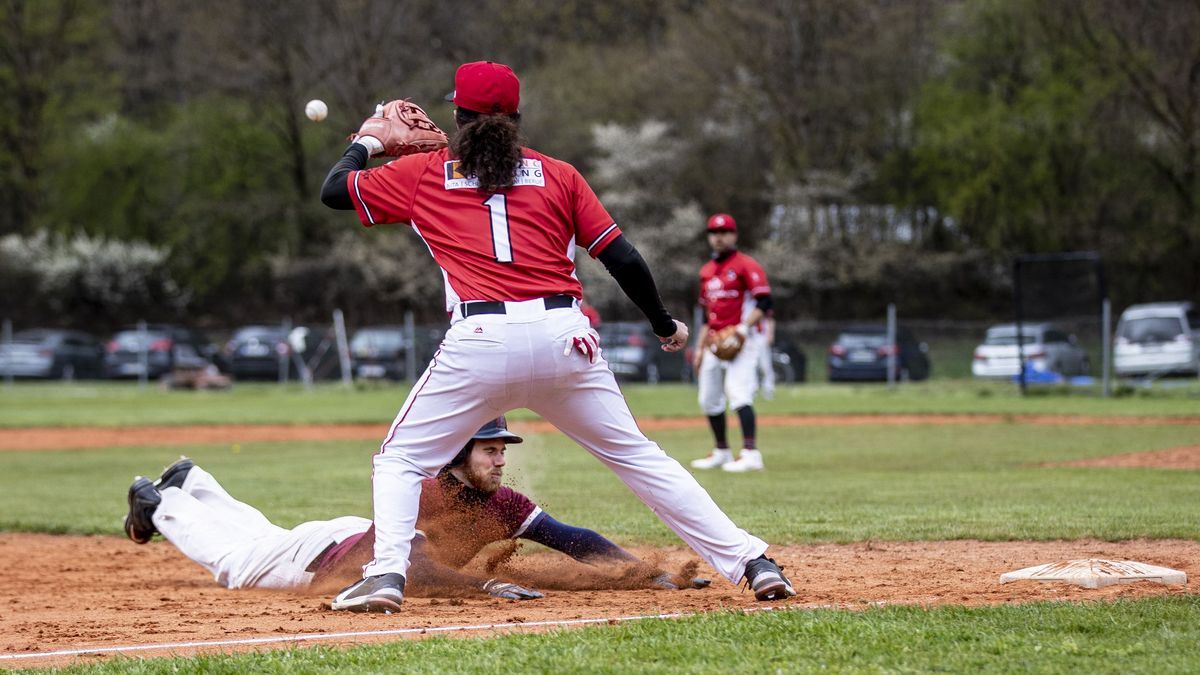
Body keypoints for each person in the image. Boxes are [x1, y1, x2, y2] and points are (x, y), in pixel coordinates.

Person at [318, 60, 793, 612]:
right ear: (516, 120)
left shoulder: (423, 172)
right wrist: (663, 323)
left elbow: (334, 192)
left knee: (400, 461)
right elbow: (622, 257)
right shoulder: (559, 174)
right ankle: (753, 562)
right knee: (640, 459)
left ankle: (386, 575)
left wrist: (370, 143)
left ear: (458, 117)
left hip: (481, 337)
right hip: (566, 337)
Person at [122, 419, 694, 598]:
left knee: (260, 540)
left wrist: (641, 572)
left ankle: (195, 483)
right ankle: (159, 502)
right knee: (235, 565)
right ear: (459, 455)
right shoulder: (428, 494)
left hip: (342, 539)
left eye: (502, 451)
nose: (500, 461)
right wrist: (484, 587)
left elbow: (571, 538)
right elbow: (415, 570)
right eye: (489, 451)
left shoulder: (502, 502)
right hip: (323, 558)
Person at [690, 213, 774, 473]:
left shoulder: (746, 265)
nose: (719, 237)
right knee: (708, 398)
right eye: (714, 233)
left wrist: (743, 328)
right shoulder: (706, 271)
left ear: (734, 235)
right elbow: (707, 316)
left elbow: (765, 302)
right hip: (715, 342)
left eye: (724, 232)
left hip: (742, 340)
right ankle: (722, 451)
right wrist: (699, 349)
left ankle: (751, 454)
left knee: (738, 393)